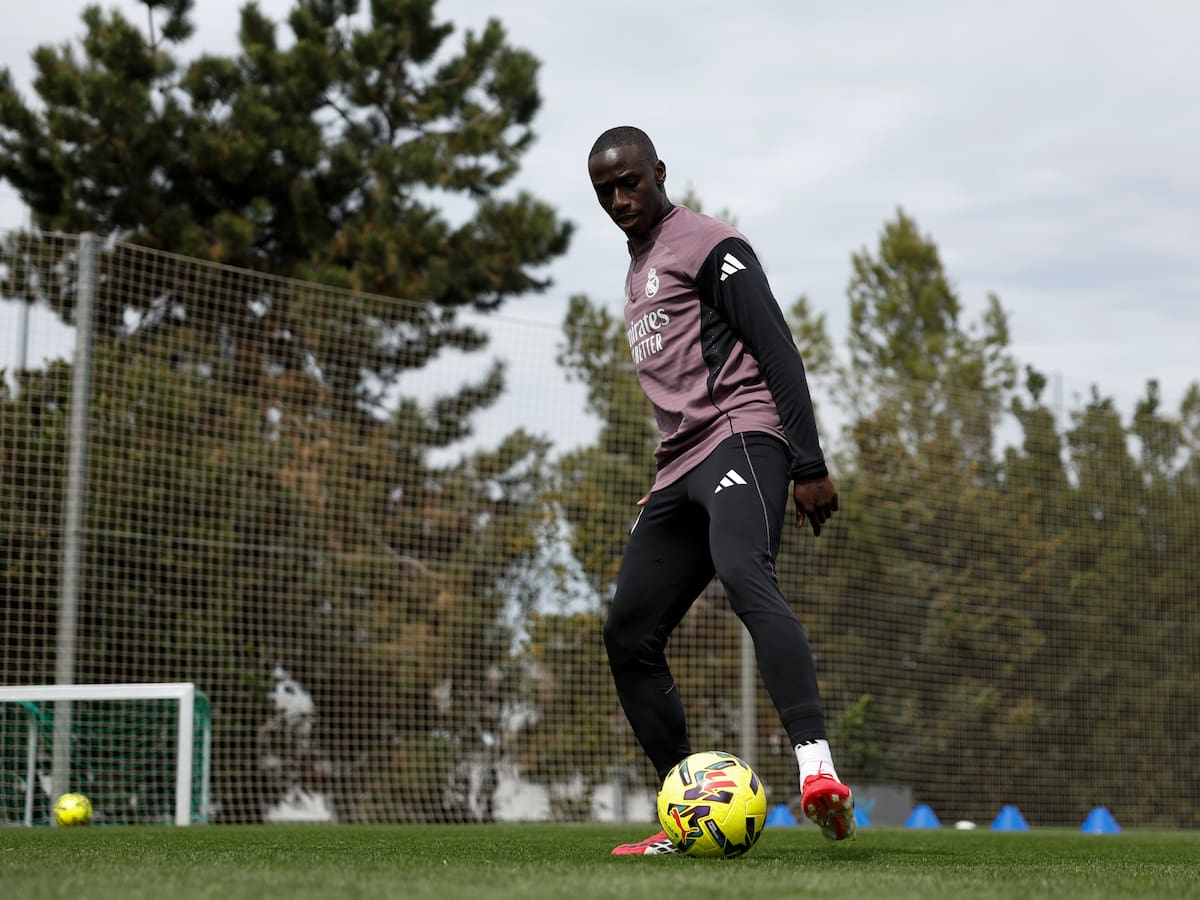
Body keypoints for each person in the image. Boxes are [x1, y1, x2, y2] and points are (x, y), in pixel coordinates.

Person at [587, 126, 854, 855]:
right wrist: (666, 479)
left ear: (659, 172)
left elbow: (776, 347)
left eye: (630, 182)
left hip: (745, 435)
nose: (620, 199)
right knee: (628, 633)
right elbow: (678, 389)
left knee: (743, 571)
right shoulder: (637, 269)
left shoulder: (710, 243)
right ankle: (689, 810)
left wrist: (808, 464)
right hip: (680, 465)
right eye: (606, 191)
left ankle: (818, 773)